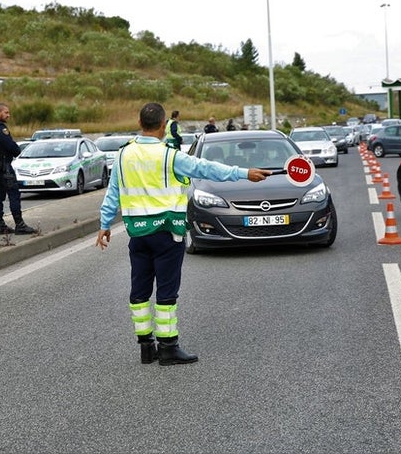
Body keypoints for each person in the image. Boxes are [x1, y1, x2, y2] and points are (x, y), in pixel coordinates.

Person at [95, 102, 270, 366]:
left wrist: (105, 224)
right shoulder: (170, 156)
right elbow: (207, 168)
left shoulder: (122, 155)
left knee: (139, 290)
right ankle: (168, 348)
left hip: (138, 234)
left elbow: (113, 194)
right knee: (166, 292)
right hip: (167, 233)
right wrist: (245, 173)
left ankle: (146, 347)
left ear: (140, 123)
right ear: (164, 125)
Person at [0, 103, 35, 235]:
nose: (8, 115)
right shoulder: (0, 128)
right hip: (4, 166)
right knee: (13, 193)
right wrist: (17, 150)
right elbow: (10, 145)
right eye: (6, 113)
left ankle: (0, 225)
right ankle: (19, 224)